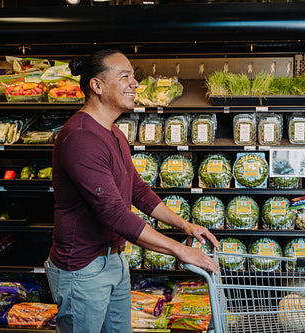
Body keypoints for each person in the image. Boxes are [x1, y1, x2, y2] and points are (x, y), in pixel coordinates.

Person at [44, 49, 219, 333]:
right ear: (96, 86)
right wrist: (178, 251)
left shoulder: (114, 133)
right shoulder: (81, 138)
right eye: (124, 76)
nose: (135, 84)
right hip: (82, 268)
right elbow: (114, 214)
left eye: (133, 77)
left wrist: (185, 225)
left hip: (114, 259)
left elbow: (138, 190)